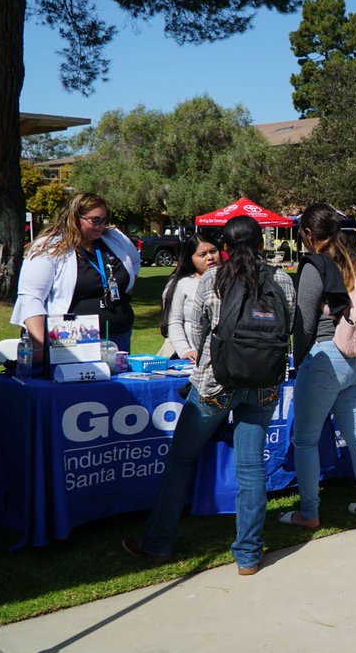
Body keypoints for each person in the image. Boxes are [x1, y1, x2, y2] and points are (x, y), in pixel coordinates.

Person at [124, 215, 296, 574]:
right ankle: (248, 554)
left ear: (225, 248)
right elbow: (290, 324)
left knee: (181, 459)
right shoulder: (281, 279)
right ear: (261, 244)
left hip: (215, 382)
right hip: (264, 382)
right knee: (251, 468)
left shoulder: (213, 279)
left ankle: (158, 542)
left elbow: (199, 332)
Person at [281, 203, 356, 531]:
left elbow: (304, 322)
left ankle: (309, 513)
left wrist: (298, 360)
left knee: (305, 440)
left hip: (326, 356)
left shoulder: (315, 265)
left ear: (309, 234)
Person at [12, 192, 141, 364]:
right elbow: (31, 297)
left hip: (117, 338)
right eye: (95, 221)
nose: (101, 226)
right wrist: (38, 346)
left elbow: (134, 261)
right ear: (74, 217)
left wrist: (126, 292)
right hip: (71, 342)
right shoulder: (49, 247)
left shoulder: (114, 238)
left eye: (104, 220)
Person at [158, 232, 222, 360]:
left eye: (213, 251)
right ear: (190, 258)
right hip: (191, 356)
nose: (210, 257)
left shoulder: (232, 280)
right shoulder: (183, 283)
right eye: (202, 254)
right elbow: (174, 321)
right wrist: (185, 351)